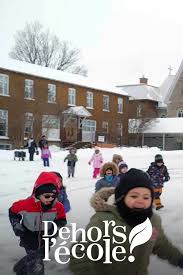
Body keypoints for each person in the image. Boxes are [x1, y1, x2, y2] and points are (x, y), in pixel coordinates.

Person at [69, 168, 183, 275]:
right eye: (134, 196)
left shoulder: (153, 221)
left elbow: (161, 245)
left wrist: (179, 259)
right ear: (121, 197)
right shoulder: (103, 220)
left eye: (146, 197)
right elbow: (80, 254)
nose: (140, 201)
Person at [9, 171, 67, 275]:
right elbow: (13, 211)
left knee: (41, 256)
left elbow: (62, 220)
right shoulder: (25, 204)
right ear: (38, 194)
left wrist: (56, 228)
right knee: (37, 265)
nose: (50, 199)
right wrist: (16, 224)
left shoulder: (58, 206)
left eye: (53, 196)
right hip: (29, 236)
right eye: (47, 196)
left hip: (47, 237)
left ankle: (21, 267)